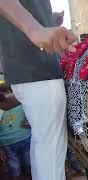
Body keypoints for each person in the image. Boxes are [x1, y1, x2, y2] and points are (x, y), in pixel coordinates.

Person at [0, 1, 77, 180]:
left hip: (33, 65)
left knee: (44, 146)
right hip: (35, 66)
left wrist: (46, 22)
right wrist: (35, 29)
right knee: (50, 150)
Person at [0, 83, 31, 180]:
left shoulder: (20, 100)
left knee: (14, 164)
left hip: (8, 142)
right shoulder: (20, 99)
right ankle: (28, 174)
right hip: (23, 137)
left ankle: (18, 176)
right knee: (27, 161)